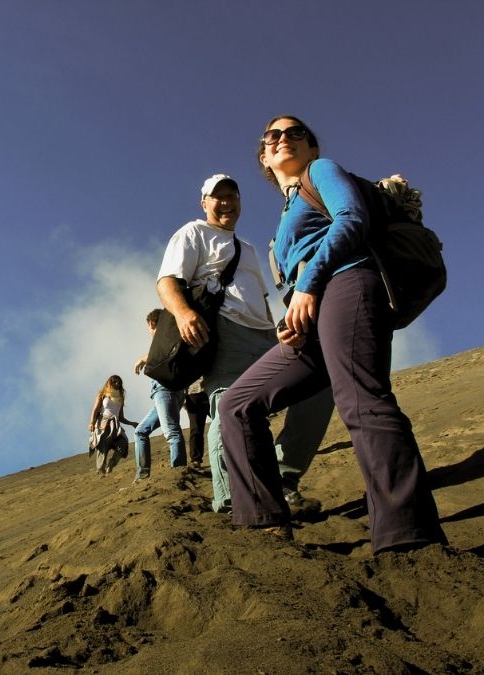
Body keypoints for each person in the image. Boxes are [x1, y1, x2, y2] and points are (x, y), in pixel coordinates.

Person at [217, 115, 447, 551]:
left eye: (295, 132)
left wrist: (307, 285)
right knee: (237, 405)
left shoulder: (319, 172)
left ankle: (407, 534)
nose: (284, 138)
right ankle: (262, 522)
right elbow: (295, 280)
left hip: (349, 282)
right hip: (312, 317)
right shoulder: (281, 224)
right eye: (273, 136)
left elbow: (351, 219)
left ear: (312, 147)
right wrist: (290, 318)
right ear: (265, 158)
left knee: (361, 399)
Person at [156, 173, 334, 514]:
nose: (226, 202)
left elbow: (260, 298)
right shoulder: (193, 233)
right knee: (228, 405)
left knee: (318, 386)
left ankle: (282, 478)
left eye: (232, 196)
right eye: (217, 197)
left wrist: (278, 327)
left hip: (266, 336)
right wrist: (182, 313)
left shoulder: (248, 249)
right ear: (204, 203)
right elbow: (167, 281)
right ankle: (233, 497)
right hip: (226, 332)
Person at [133, 309, 188, 481]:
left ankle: (178, 471)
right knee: (140, 431)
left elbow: (163, 352)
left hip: (166, 391)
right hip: (166, 392)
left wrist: (143, 358)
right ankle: (142, 475)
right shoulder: (170, 337)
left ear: (152, 324)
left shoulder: (166, 338)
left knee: (171, 431)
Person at [88, 375, 138, 476]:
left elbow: (121, 417)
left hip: (115, 425)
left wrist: (131, 423)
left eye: (118, 382)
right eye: (114, 381)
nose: (116, 383)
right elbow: (95, 409)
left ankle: (111, 464)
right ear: (109, 382)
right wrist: (91, 423)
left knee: (123, 443)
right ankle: (100, 471)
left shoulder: (120, 398)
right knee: (103, 446)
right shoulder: (102, 394)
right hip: (103, 422)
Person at [183, 381, 209, 468]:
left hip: (210, 390)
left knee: (224, 422)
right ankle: (196, 459)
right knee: (196, 428)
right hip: (192, 395)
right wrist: (183, 398)